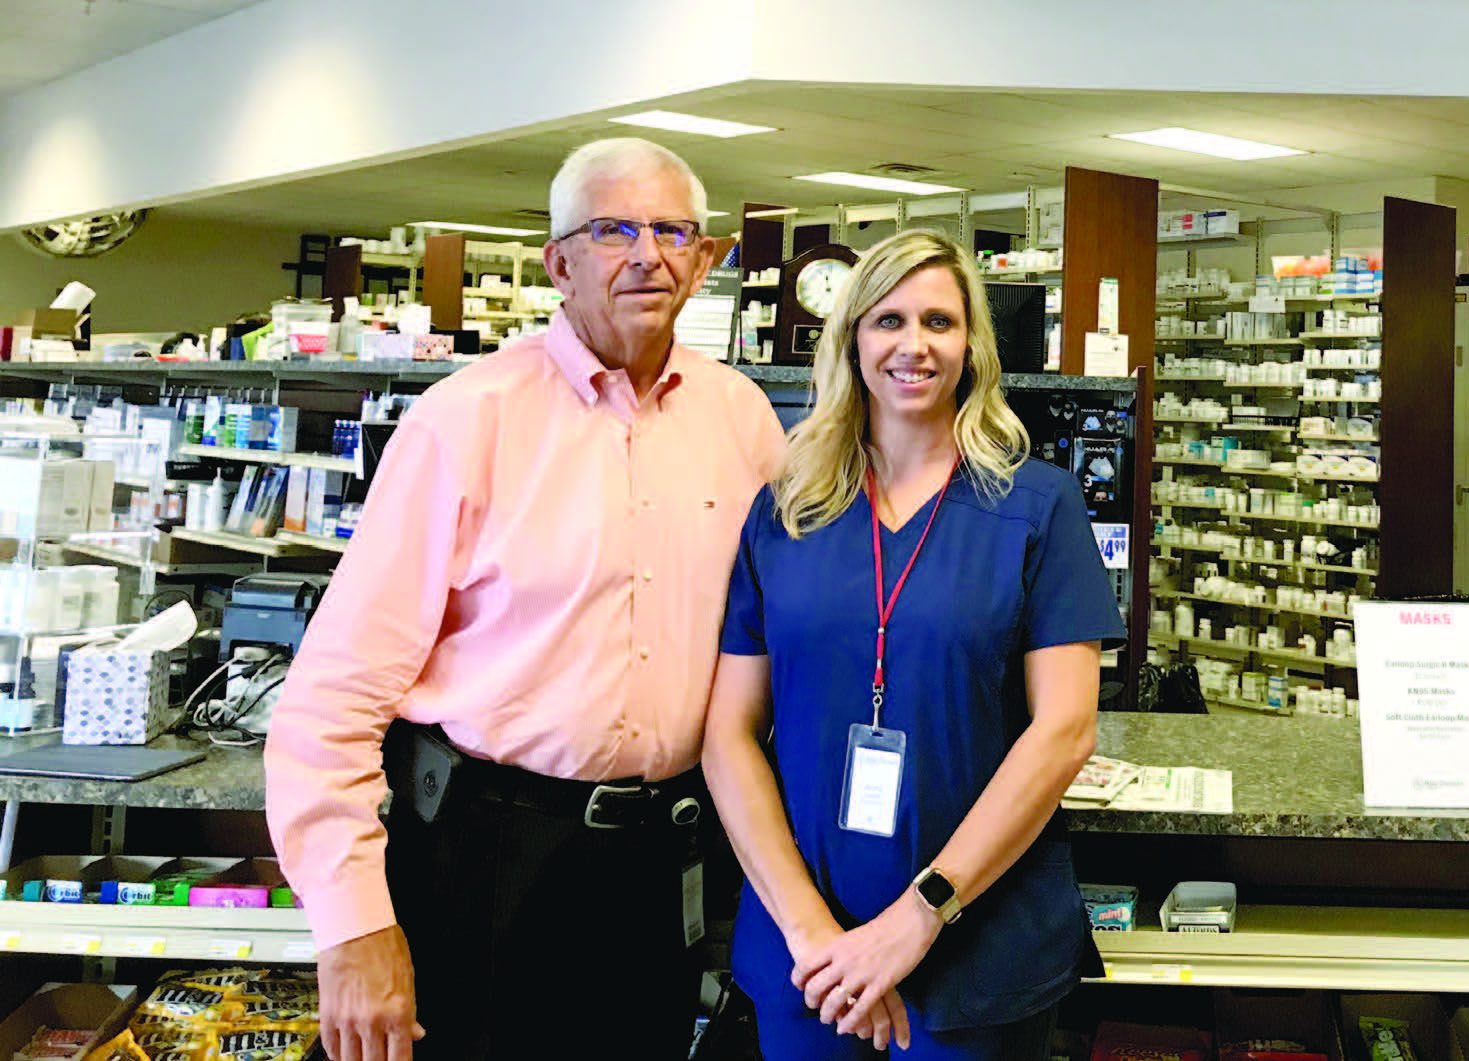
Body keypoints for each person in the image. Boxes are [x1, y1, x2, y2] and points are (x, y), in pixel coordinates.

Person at [265, 137, 787, 1061]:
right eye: (614, 229)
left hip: (660, 858)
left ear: (705, 261)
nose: (646, 254)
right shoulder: (465, 421)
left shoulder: (740, 417)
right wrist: (353, 929)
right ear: (558, 261)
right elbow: (331, 700)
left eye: (672, 231)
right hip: (487, 854)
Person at [705, 229, 1122, 1061]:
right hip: (807, 954)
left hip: (975, 953)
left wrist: (915, 916)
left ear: (971, 346)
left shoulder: (1036, 505)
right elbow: (727, 733)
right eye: (888, 319)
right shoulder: (786, 511)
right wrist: (813, 931)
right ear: (851, 337)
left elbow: (1065, 730)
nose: (914, 344)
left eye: (939, 321)